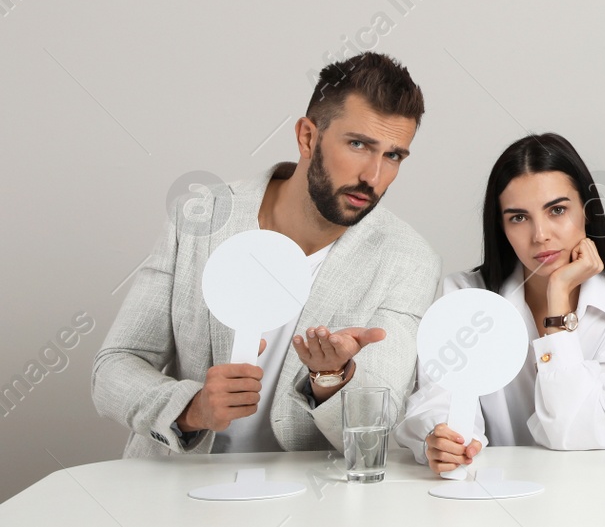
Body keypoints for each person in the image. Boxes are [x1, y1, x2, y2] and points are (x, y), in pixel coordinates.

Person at [91, 52, 440, 456]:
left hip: (304, 506)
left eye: (393, 155)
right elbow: (115, 367)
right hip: (175, 497)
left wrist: (330, 377)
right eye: (359, 144)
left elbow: (374, 428)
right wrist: (193, 408)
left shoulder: (409, 260)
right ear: (308, 137)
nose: (374, 177)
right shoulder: (203, 218)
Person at [396, 133, 605, 470]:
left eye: (557, 210)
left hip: (596, 497)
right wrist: (438, 438)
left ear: (588, 211)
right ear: (502, 227)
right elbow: (437, 399)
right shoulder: (467, 295)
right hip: (489, 492)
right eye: (519, 218)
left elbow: (576, 434)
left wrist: (558, 304)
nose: (540, 235)